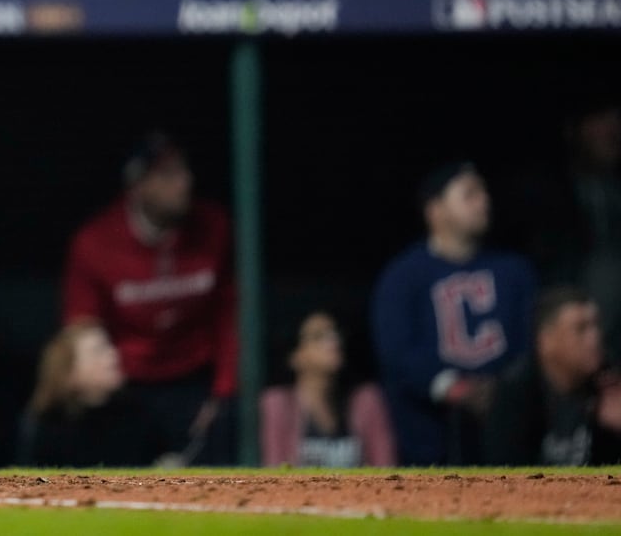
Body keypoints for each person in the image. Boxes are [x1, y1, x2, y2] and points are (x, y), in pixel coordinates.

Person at [59, 131, 239, 465]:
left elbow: (231, 315)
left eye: (184, 171)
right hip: (127, 386)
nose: (185, 182)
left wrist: (224, 392)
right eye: (168, 174)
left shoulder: (214, 227)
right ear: (139, 185)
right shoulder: (95, 242)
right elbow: (81, 328)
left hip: (195, 379)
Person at [370, 161, 538, 465]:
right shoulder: (403, 276)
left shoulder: (514, 271)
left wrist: (503, 390)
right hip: (431, 439)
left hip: (507, 432)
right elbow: (397, 351)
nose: (484, 201)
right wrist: (452, 387)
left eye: (483, 192)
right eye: (469, 194)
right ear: (436, 210)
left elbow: (529, 342)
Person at [482, 286, 621, 465]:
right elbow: (504, 475)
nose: (595, 338)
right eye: (581, 329)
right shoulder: (515, 392)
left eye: (596, 326)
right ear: (546, 340)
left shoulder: (608, 385)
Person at [529, 96, 621, 356]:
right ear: (574, 131)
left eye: (617, 119)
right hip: (573, 349)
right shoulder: (547, 194)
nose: (614, 129)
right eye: (601, 120)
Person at [259, 311, 398, 467]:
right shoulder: (278, 404)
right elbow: (274, 470)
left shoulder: (366, 400)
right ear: (295, 357)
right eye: (318, 337)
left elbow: (386, 469)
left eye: (335, 334)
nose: (333, 341)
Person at [16, 321, 162, 467]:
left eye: (109, 346)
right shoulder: (46, 426)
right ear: (69, 372)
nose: (113, 355)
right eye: (98, 351)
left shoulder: (138, 414)